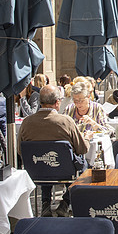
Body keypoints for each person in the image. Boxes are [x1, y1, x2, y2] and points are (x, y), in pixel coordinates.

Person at [19, 85, 89, 217]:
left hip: (36, 170)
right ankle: (65, 202)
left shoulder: (27, 122)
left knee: (45, 161)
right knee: (85, 167)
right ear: (57, 103)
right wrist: (86, 139)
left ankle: (45, 202)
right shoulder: (65, 121)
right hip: (65, 170)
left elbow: (20, 150)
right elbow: (82, 148)